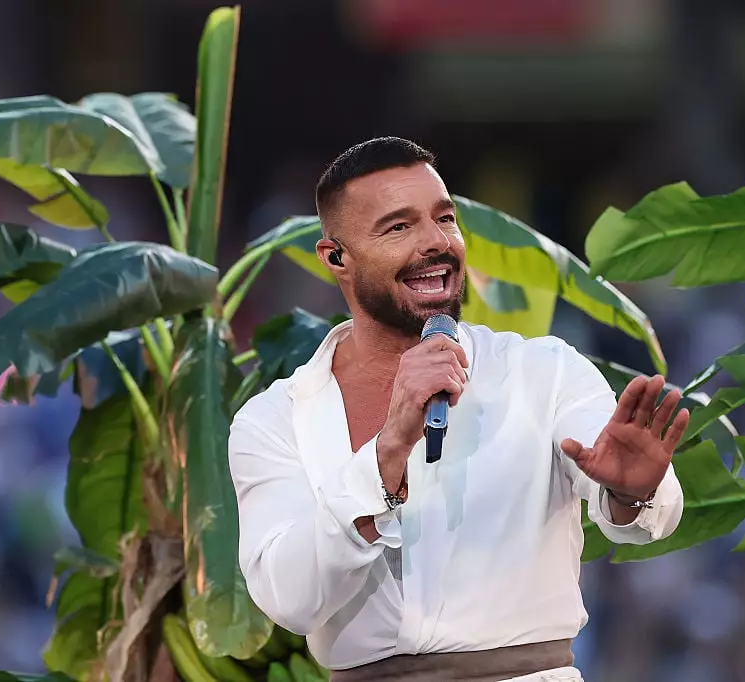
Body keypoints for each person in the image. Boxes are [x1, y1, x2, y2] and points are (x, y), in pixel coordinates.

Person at [228, 137, 689, 681]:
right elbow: (290, 599)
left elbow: (642, 521)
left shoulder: (544, 372)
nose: (434, 242)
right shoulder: (274, 421)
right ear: (337, 259)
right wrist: (386, 454)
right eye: (399, 227)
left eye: (444, 219)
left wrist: (630, 492)